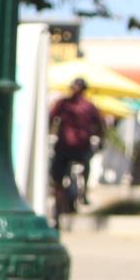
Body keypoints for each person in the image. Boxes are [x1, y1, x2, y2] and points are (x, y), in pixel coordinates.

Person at [49, 78, 105, 212]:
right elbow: (100, 126)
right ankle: (77, 194)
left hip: (76, 146)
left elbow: (99, 125)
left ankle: (83, 192)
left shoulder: (82, 106)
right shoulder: (65, 104)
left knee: (81, 167)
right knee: (58, 177)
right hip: (68, 146)